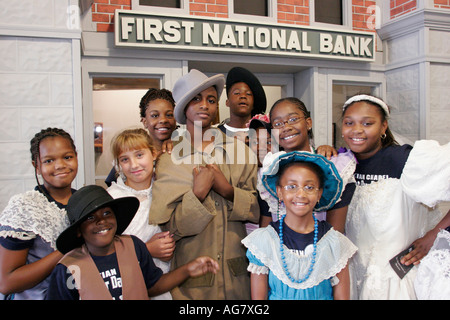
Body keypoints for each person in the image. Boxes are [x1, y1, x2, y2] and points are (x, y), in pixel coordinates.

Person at [149, 69, 260, 300]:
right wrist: (197, 195)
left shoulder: (241, 151)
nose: (205, 105)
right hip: (192, 285)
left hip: (237, 280)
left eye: (211, 100)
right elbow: (170, 230)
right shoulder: (169, 159)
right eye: (196, 99)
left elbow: (257, 210)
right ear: (183, 107)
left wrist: (227, 191)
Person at [339, 94, 450, 299]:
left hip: (395, 280)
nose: (356, 130)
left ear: (383, 127)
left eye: (367, 123)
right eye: (349, 123)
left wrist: (433, 236)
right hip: (353, 278)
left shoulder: (407, 160)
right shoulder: (343, 163)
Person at [45, 185, 219, 300]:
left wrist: (187, 270)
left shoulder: (133, 246)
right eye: (90, 218)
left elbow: (153, 285)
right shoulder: (69, 268)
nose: (102, 221)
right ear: (78, 230)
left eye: (107, 213)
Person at [242, 151, 357, 300]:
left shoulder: (335, 243)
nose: (301, 194)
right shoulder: (264, 241)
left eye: (309, 187)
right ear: (279, 192)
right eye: (291, 186)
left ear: (319, 193)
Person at [0, 128, 78, 299]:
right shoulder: (25, 206)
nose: (60, 165)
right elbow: (6, 283)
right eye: (49, 160)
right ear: (37, 166)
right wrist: (66, 248)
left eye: (67, 157)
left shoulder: (83, 200)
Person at [260, 97, 357, 232]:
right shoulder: (270, 171)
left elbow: (336, 234)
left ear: (308, 123)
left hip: (322, 249)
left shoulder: (334, 167)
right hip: (278, 251)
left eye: (293, 119)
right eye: (277, 124)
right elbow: (266, 229)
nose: (286, 127)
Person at [107, 128, 175, 299]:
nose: (134, 165)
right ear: (119, 164)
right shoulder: (111, 199)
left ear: (153, 154)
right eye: (125, 159)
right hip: (125, 282)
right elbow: (103, 249)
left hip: (162, 280)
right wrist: (146, 250)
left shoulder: (167, 189)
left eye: (139, 155)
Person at [105, 88, 177, 187]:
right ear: (144, 121)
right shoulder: (130, 154)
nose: (163, 120)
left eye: (169, 115)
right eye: (155, 115)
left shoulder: (183, 149)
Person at [217, 67, 267, 143]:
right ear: (227, 102)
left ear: (253, 103)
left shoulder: (264, 133)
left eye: (248, 94)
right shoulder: (215, 133)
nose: (243, 96)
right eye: (237, 93)